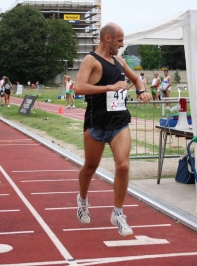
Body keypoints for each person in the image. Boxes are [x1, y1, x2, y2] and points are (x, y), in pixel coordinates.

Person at [74, 22, 151, 237]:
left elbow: (135, 79)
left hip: (119, 123)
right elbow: (79, 87)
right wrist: (110, 87)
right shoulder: (91, 60)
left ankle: (118, 213)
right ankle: (82, 200)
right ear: (107, 38)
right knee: (90, 167)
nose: (122, 44)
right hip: (96, 123)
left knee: (124, 165)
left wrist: (141, 91)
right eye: (119, 40)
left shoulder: (119, 60)